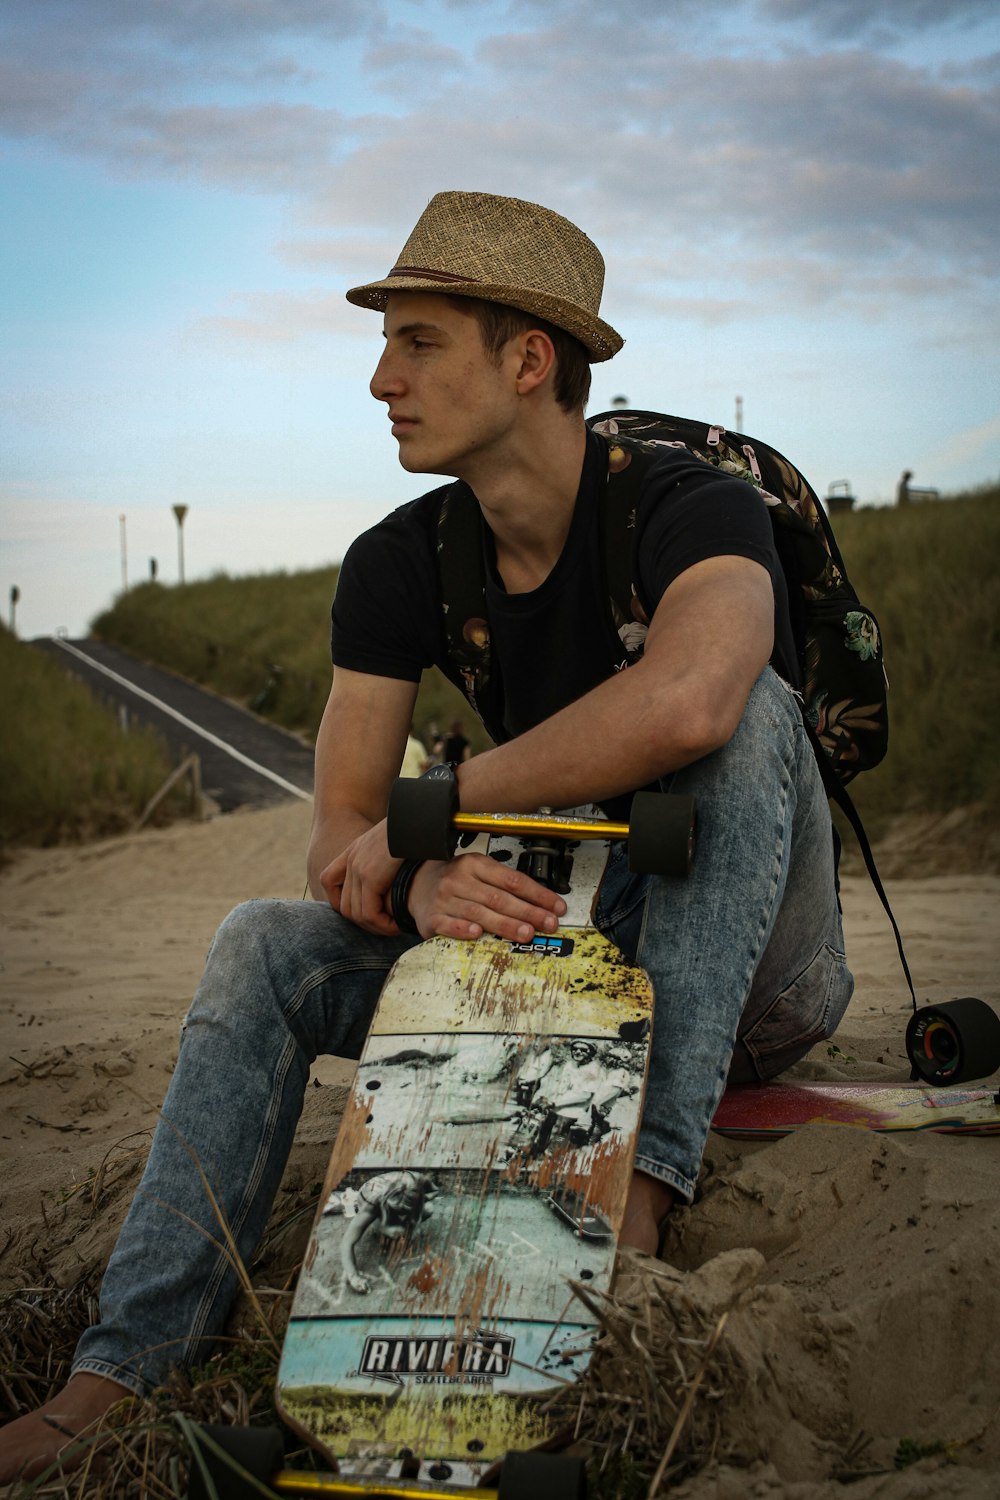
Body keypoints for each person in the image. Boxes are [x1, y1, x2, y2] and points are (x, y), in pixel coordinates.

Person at [0, 190, 853, 1482]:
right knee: (262, 945)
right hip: (574, 956)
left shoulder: (692, 508)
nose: (379, 378)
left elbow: (691, 696)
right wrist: (421, 882)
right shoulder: (400, 560)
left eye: (418, 341)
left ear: (527, 359)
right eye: (385, 343)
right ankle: (121, 1369)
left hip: (755, 974)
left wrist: (439, 808)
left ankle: (629, 1231)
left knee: (738, 724)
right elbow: (342, 832)